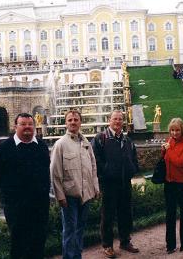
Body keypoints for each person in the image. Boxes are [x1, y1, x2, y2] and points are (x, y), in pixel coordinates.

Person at [0, 113, 50, 259]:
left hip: (39, 204)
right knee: (19, 243)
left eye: (30, 124)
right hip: (16, 206)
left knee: (39, 241)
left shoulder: (41, 146)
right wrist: (10, 191)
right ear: (15, 126)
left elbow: (45, 170)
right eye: (23, 124)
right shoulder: (4, 148)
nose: (27, 127)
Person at [51, 110, 100, 259]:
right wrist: (60, 196)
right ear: (65, 123)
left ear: (80, 122)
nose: (73, 122)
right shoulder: (60, 144)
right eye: (70, 120)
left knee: (80, 229)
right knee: (69, 230)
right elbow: (55, 173)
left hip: (85, 195)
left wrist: (95, 188)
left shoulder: (86, 143)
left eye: (76, 120)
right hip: (69, 196)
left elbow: (93, 167)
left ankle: (77, 256)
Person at [92, 110, 139, 258]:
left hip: (125, 181)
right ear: (109, 120)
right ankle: (107, 245)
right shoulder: (101, 138)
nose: (118, 122)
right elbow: (95, 159)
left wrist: (133, 169)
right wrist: (106, 172)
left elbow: (134, 157)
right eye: (115, 119)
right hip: (109, 183)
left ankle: (125, 241)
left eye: (120, 119)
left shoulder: (127, 140)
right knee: (108, 215)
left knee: (125, 213)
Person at [161, 118, 183, 254]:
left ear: (182, 130)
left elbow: (180, 162)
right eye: (172, 130)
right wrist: (163, 151)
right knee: (170, 214)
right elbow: (166, 160)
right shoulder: (169, 141)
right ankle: (170, 245)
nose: (174, 133)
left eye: (177, 130)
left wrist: (168, 151)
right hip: (170, 182)